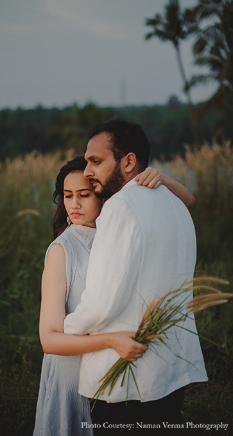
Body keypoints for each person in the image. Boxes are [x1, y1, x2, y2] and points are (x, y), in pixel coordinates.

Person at [33, 155, 195, 436]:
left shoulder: (116, 232)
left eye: (84, 195)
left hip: (111, 369)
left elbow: (187, 202)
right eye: (67, 196)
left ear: (102, 195)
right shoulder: (63, 250)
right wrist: (110, 340)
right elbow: (48, 339)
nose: (73, 204)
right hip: (73, 371)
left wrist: (161, 178)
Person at [63, 119, 207, 433]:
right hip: (171, 368)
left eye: (96, 162)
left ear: (129, 161)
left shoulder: (120, 207)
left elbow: (103, 302)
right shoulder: (176, 205)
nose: (88, 171)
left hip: (127, 378)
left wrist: (65, 329)